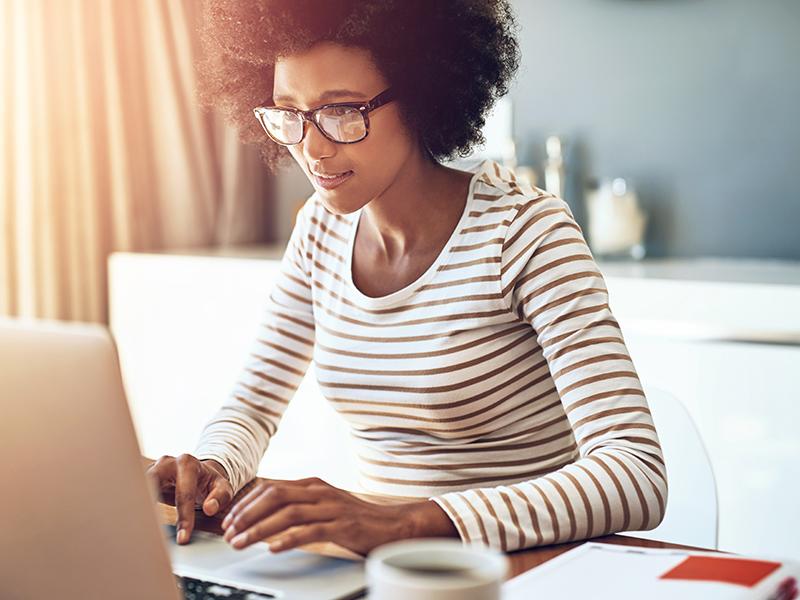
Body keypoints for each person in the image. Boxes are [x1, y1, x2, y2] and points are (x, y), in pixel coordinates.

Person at [147, 0, 667, 556]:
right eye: (288, 114)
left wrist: (408, 523)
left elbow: (635, 473)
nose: (313, 148)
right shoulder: (320, 231)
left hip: (517, 572)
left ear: (420, 96)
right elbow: (252, 406)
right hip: (383, 571)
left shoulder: (526, 234)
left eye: (342, 111)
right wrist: (214, 466)